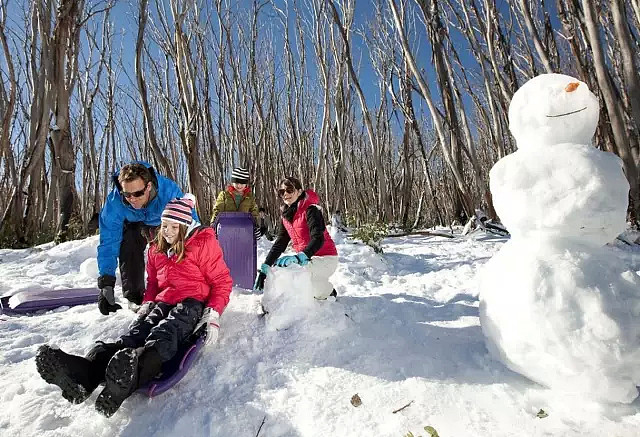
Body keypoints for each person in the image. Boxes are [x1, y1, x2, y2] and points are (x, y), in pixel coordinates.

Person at [35, 195, 232, 417]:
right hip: (163, 301)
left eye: (173, 227)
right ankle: (84, 374)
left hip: (190, 303)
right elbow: (155, 283)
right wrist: (148, 302)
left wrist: (213, 313)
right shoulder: (156, 249)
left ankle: (131, 373)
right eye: (163, 225)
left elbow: (222, 282)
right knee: (133, 336)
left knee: (165, 333)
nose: (166, 231)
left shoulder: (202, 244)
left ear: (185, 227)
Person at [96, 161, 197, 315]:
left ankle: (176, 290)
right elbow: (108, 242)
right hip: (133, 224)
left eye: (137, 193)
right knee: (129, 241)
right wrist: (106, 283)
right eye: (127, 194)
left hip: (162, 222)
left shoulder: (168, 193)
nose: (132, 199)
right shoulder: (115, 202)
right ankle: (135, 297)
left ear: (148, 186)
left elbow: (191, 227)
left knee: (173, 242)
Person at [253, 177, 338, 299]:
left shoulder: (311, 209)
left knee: (300, 280)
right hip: (306, 259)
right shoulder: (286, 216)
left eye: (289, 190)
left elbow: (318, 238)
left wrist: (301, 256)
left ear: (299, 191)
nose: (285, 194)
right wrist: (266, 267)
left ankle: (328, 291)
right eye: (282, 192)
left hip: (325, 258)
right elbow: (280, 243)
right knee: (284, 273)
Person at [210, 167, 261, 239]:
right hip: (226, 230)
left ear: (246, 184)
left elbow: (254, 213)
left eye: (242, 183)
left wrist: (256, 227)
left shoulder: (249, 198)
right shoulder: (224, 195)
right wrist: (213, 225)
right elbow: (217, 210)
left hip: (244, 231)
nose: (239, 186)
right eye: (237, 182)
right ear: (232, 182)